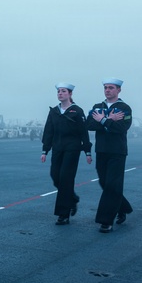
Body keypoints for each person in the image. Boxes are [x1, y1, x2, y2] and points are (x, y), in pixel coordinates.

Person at [41, 83, 92, 225]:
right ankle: (73, 198)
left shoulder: (77, 111)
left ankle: (63, 214)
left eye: (63, 91)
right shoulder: (54, 111)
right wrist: (45, 150)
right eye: (58, 91)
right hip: (57, 149)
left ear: (70, 94)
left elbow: (83, 132)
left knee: (66, 179)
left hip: (72, 150)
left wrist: (87, 151)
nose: (60, 93)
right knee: (55, 176)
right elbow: (48, 131)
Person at [87, 78, 133, 233]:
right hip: (101, 150)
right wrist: (109, 120)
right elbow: (89, 124)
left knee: (112, 184)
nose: (107, 90)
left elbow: (122, 128)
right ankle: (123, 208)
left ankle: (106, 221)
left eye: (111, 88)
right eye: (106, 87)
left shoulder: (124, 108)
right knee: (105, 183)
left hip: (117, 151)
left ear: (118, 90)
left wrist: (103, 120)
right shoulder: (97, 106)